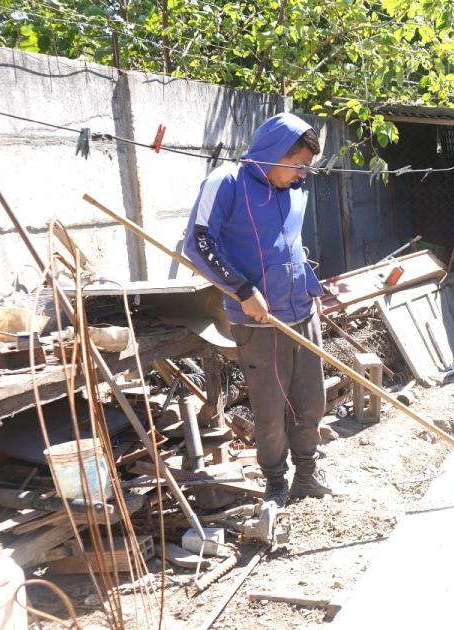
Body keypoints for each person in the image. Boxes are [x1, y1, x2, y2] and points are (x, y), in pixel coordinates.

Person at [183, 112, 332, 507]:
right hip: (258, 319)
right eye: (298, 165)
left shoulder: (295, 189)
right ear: (273, 153)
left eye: (307, 168)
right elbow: (199, 243)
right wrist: (242, 289)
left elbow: (291, 245)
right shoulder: (226, 183)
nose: (302, 175)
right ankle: (276, 481)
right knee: (269, 408)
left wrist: (310, 288)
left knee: (311, 401)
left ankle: (306, 473)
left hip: (301, 311)